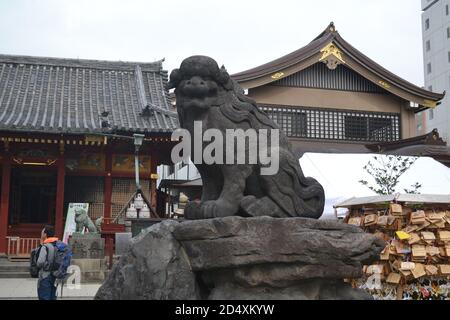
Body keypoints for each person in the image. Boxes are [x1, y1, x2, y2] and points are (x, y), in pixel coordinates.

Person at [36, 225, 59, 300]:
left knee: (44, 297)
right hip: (55, 275)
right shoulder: (58, 245)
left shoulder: (45, 247)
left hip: (45, 276)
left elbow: (40, 262)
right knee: (52, 297)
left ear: (45, 234)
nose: (41, 234)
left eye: (42, 232)